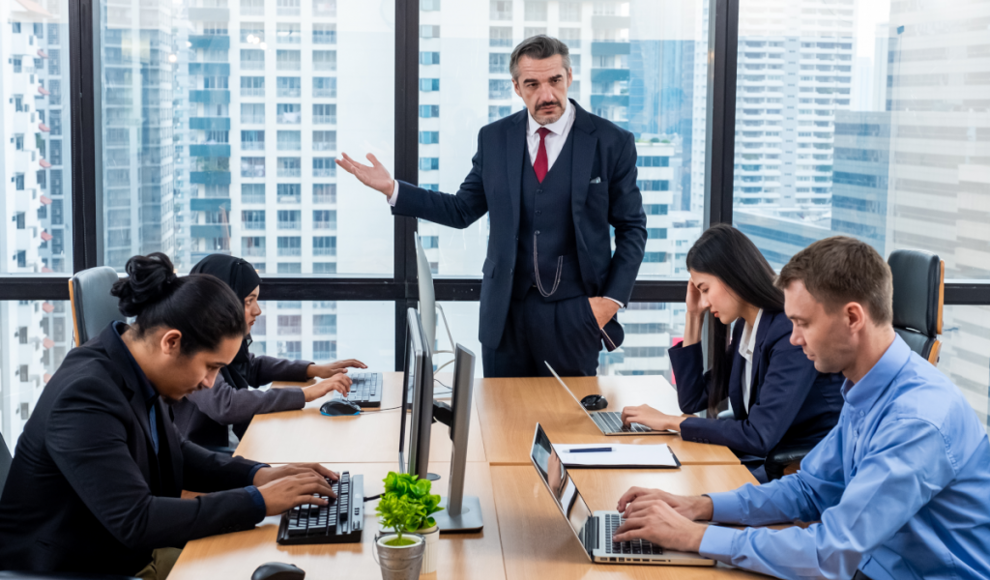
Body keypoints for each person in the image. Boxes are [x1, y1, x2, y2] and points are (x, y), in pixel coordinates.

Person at [610, 237, 990, 580]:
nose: (793, 338)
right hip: (871, 565)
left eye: (802, 323)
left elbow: (830, 553)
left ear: (853, 317)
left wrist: (695, 536)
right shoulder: (866, 390)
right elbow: (810, 489)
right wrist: (700, 506)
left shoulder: (916, 421)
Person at [0, 254, 341, 579]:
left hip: (129, 555)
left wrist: (259, 475)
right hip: (82, 569)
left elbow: (177, 451)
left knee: (274, 559)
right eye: (210, 367)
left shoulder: (129, 367)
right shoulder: (86, 396)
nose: (209, 382)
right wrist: (257, 502)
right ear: (172, 342)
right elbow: (137, 519)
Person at [337, 35, 646, 378]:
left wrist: (609, 303)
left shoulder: (611, 141)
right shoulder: (495, 139)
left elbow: (632, 228)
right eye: (532, 84)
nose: (546, 95)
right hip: (505, 318)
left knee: (567, 425)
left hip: (575, 316)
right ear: (516, 87)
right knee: (500, 424)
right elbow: (461, 210)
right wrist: (393, 189)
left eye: (555, 80)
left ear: (569, 77)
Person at [620, 225, 844, 479]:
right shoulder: (746, 328)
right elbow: (693, 398)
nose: (704, 301)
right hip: (761, 457)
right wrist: (694, 316)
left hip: (801, 470)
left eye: (705, 289)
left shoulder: (787, 332)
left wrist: (672, 422)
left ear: (733, 276)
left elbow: (759, 436)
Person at [172, 254, 366, 449]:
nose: (257, 310)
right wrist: (306, 394)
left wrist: (313, 370)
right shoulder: (190, 347)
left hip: (219, 452)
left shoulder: (214, 336)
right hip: (200, 462)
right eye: (248, 301)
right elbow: (226, 404)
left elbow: (251, 367)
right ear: (220, 304)